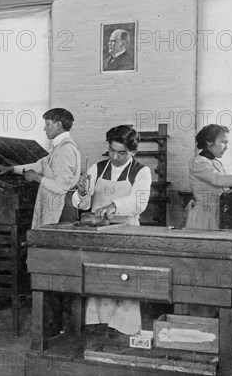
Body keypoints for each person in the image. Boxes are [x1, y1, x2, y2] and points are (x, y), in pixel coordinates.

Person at [72, 125, 152, 335]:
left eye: (122, 152)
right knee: (98, 279)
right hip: (100, 234)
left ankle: (125, 330)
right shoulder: (97, 168)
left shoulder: (141, 171)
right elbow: (81, 203)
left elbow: (139, 202)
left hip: (127, 234)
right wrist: (81, 193)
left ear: (133, 151)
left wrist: (113, 206)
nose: (115, 156)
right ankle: (97, 327)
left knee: (125, 281)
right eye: (111, 150)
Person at [0, 108, 81, 228]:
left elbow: (61, 187)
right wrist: (12, 169)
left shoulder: (65, 149)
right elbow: (40, 165)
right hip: (57, 207)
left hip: (62, 210)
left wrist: (36, 177)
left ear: (58, 125)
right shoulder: (59, 147)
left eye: (47, 124)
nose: (44, 128)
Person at [186, 124, 232, 230]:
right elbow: (218, 179)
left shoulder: (215, 163)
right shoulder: (198, 163)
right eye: (223, 142)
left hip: (217, 212)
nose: (226, 147)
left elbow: (220, 188)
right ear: (209, 141)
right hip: (205, 215)